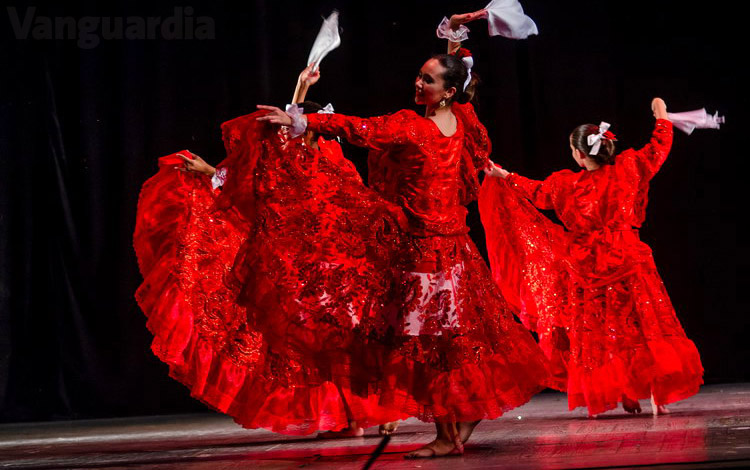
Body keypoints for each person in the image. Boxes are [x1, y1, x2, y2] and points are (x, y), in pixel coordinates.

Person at [257, 52, 550, 457]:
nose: (417, 84)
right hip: (453, 249)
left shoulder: (415, 128)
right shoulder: (463, 121)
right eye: (418, 76)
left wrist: (302, 118)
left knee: (428, 343)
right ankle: (459, 423)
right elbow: (378, 124)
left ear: (448, 92)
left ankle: (448, 438)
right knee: (449, 341)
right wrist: (456, 40)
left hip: (426, 256)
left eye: (427, 81)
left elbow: (362, 129)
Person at [483, 98, 704, 417]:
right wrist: (661, 116)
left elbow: (536, 192)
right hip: (628, 258)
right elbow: (658, 147)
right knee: (643, 324)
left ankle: (611, 390)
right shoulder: (628, 169)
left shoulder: (565, 186)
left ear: (579, 154)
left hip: (586, 266)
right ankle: (656, 393)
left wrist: (505, 176)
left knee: (599, 332)